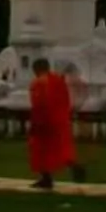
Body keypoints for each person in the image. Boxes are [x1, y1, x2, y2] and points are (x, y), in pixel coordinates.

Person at [26, 56, 77, 189]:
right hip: (60, 119)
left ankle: (46, 178)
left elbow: (39, 103)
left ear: (36, 69)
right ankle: (71, 164)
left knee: (40, 150)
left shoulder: (38, 83)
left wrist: (36, 122)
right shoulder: (58, 81)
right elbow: (66, 100)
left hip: (45, 120)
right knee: (60, 148)